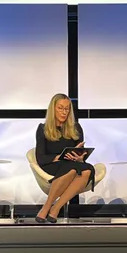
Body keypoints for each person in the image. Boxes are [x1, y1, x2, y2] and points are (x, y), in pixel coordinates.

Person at [34, 93, 95, 223]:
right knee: (73, 169)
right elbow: (41, 158)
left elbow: (80, 155)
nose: (64, 112)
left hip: (73, 163)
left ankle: (56, 208)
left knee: (87, 169)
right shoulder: (43, 129)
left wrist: (80, 157)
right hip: (52, 164)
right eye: (60, 108)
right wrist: (60, 157)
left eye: (67, 109)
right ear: (53, 109)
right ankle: (46, 207)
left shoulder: (76, 128)